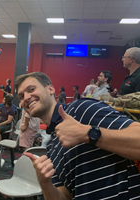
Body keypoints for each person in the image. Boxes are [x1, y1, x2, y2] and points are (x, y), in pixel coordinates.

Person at [15, 72, 140, 200]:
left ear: (51, 89)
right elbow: (65, 197)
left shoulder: (81, 108)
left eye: (31, 89)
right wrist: (45, 183)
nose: (26, 97)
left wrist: (87, 133)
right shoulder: (52, 146)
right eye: (21, 96)